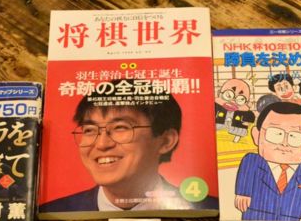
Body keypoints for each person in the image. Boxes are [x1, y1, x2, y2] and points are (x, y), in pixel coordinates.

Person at [41, 84, 217, 212]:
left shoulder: (209, 210)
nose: (102, 144)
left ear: (165, 141)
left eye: (120, 128)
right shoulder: (54, 213)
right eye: (89, 130)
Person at [234, 101, 301, 221]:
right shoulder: (252, 161)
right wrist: (243, 193)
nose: (284, 143)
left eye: (294, 136)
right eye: (276, 134)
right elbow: (246, 175)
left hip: (290, 215)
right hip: (257, 214)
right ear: (256, 135)